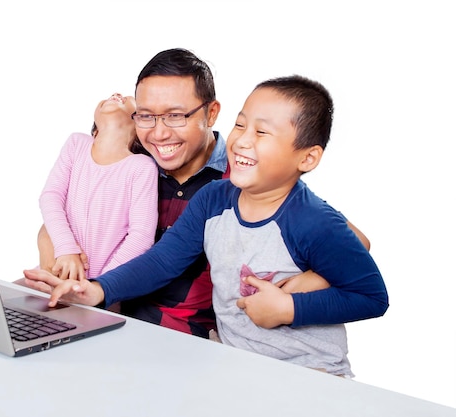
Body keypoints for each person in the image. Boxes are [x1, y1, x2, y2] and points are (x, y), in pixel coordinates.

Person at [23, 75, 389, 377]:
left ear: (307, 157)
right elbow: (164, 260)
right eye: (241, 124)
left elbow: (372, 296)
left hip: (310, 373)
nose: (242, 140)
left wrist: (290, 309)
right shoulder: (214, 199)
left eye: (262, 133)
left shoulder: (311, 220)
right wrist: (96, 290)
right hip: (233, 363)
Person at [36, 92, 158, 285]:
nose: (117, 94)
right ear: (95, 131)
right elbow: (50, 197)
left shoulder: (142, 167)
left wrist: (99, 285)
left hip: (99, 294)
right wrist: (66, 249)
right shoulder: (76, 144)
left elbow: (141, 237)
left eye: (129, 96)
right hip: (54, 273)